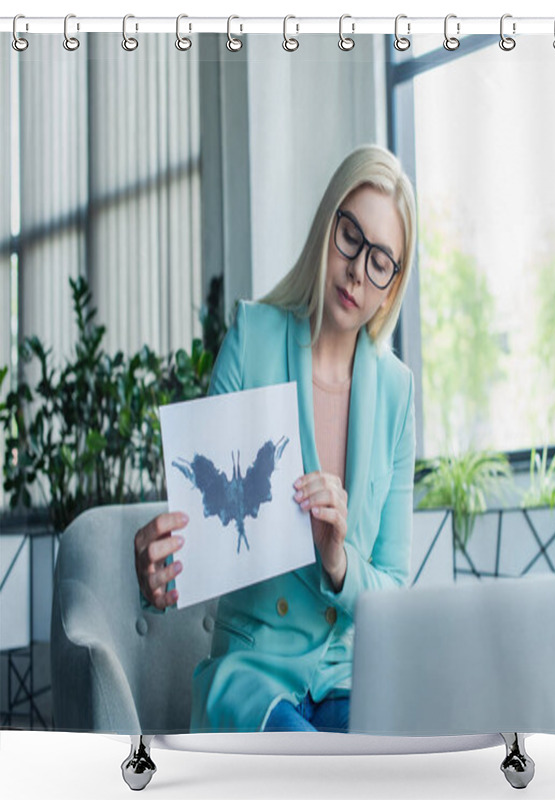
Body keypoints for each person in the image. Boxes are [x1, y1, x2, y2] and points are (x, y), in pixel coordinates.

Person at [133, 144, 417, 733]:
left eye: (381, 260)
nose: (358, 270)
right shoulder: (253, 337)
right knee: (313, 768)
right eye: (350, 237)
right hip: (253, 673)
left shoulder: (396, 393)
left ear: (391, 286)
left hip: (346, 677)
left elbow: (393, 590)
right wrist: (161, 576)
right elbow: (207, 534)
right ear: (326, 226)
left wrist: (337, 560)